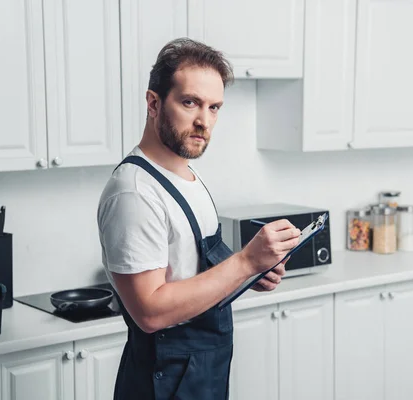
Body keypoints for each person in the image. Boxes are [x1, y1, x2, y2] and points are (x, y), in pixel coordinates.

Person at [97, 38, 301, 400]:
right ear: (154, 103)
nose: (203, 121)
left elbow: (195, 264)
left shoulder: (187, 176)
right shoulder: (134, 192)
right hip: (163, 380)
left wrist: (252, 272)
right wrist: (244, 262)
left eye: (214, 107)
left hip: (200, 373)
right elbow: (150, 312)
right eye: (190, 102)